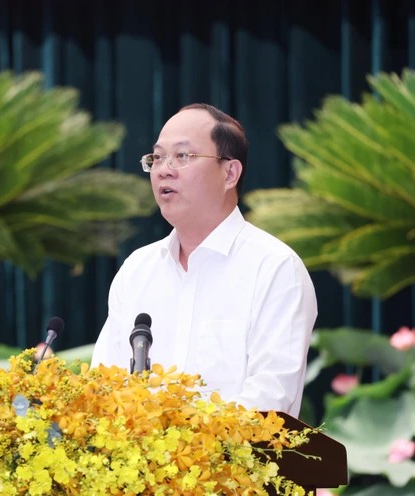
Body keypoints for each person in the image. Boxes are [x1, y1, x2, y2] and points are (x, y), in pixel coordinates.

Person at [90, 103, 317, 418]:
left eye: (183, 156)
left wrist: (182, 441)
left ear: (229, 173)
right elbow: (105, 384)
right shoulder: (138, 270)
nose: (164, 169)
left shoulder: (275, 269)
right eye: (157, 157)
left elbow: (270, 399)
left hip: (235, 463)